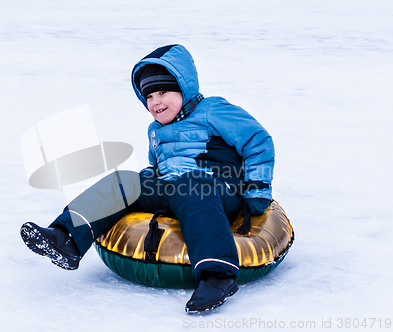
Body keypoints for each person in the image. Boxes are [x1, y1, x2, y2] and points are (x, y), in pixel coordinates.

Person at [20, 44, 275, 313]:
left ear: (183, 88)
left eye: (163, 92)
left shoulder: (213, 110)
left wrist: (257, 189)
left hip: (216, 188)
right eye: (149, 96)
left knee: (192, 185)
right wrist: (142, 185)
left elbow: (258, 141)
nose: (156, 102)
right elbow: (159, 166)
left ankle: (216, 276)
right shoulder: (155, 130)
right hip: (173, 190)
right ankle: (66, 238)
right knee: (124, 180)